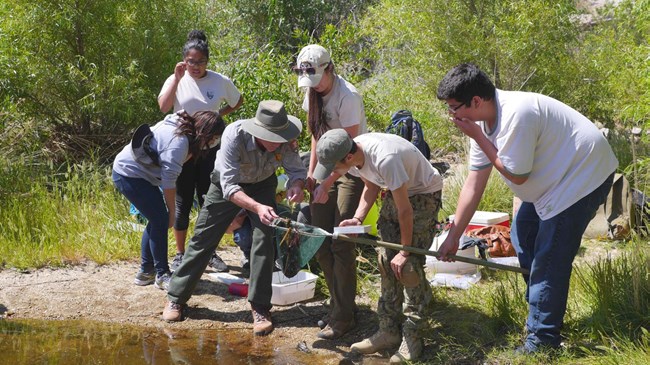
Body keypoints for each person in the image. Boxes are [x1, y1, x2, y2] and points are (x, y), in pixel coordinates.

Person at [436, 63, 618, 354]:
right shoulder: (481, 124)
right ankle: (541, 313)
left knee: (549, 255)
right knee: (524, 237)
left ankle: (542, 341)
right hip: (554, 182)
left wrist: (480, 139)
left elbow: (516, 175)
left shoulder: (516, 115)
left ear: (476, 102)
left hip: (583, 176)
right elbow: (473, 184)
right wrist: (454, 235)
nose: (452, 116)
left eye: (454, 108)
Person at [161, 100, 307, 337]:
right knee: (203, 239)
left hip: (262, 185)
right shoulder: (234, 135)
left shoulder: (285, 138)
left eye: (280, 137)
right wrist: (257, 207)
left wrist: (297, 186)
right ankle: (176, 298)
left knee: (264, 241)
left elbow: (297, 172)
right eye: (271, 136)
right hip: (226, 186)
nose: (277, 142)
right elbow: (229, 187)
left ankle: (260, 308)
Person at [313, 129, 443, 363]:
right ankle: (388, 331)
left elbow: (406, 210)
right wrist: (358, 218)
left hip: (423, 194)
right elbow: (371, 185)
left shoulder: (386, 158)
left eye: (334, 168)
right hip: (398, 192)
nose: (333, 174)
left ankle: (413, 335)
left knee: (408, 267)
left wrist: (404, 251)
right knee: (385, 261)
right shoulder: (353, 154)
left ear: (348, 158)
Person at [293, 44, 367, 339]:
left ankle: (343, 317)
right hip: (325, 165)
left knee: (341, 241)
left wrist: (326, 183)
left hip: (351, 166)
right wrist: (312, 177)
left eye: (316, 78)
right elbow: (316, 138)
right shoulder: (311, 92)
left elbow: (347, 153)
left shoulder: (348, 97)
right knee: (321, 241)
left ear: (329, 69)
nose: (313, 86)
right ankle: (338, 306)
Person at [158, 30, 244, 273]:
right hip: (182, 150)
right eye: (191, 61)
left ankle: (209, 252)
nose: (195, 67)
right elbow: (164, 107)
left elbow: (238, 101)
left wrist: (218, 116)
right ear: (184, 60)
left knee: (210, 200)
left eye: (201, 62)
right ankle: (180, 254)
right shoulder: (177, 78)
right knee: (183, 201)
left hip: (210, 151)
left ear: (208, 61)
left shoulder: (219, 81)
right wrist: (176, 78)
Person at [112, 111, 225, 290]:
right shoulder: (178, 144)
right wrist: (172, 212)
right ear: (206, 133)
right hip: (128, 174)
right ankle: (162, 274)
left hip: (143, 176)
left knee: (156, 219)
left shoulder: (187, 132)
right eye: (215, 138)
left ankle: (145, 272)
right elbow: (169, 182)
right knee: (161, 220)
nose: (214, 142)